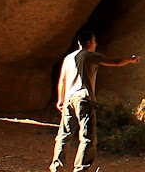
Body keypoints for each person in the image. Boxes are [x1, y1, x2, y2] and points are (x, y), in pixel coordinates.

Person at [50, 32, 140, 172]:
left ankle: (57, 167)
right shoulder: (91, 56)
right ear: (88, 42)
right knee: (87, 137)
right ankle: (81, 169)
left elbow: (62, 80)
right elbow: (115, 62)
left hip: (69, 99)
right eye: (94, 41)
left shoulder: (68, 58)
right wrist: (131, 59)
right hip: (84, 99)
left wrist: (60, 99)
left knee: (64, 135)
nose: (95, 43)